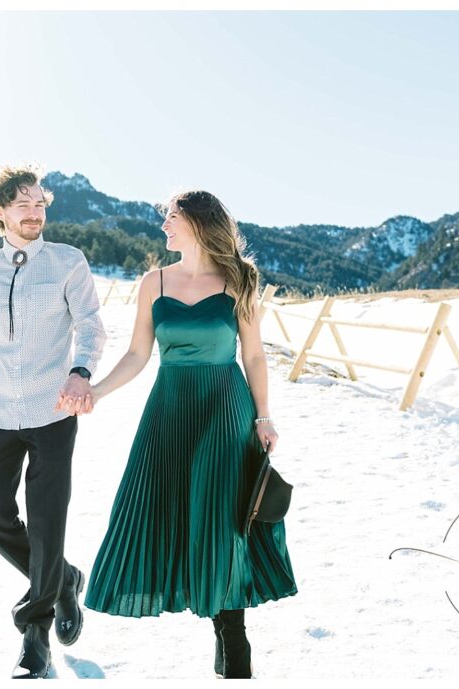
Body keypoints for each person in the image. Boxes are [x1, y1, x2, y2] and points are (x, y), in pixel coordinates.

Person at [82, 190, 296, 678]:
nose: (164, 228)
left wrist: (263, 417)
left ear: (198, 224)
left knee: (222, 519)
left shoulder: (239, 279)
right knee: (177, 513)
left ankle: (233, 642)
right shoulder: (152, 282)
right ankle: (221, 631)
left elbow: (254, 355)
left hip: (225, 409)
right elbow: (138, 354)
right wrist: (97, 391)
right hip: (171, 410)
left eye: (172, 219)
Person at [0, 165, 106, 679]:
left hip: (52, 411)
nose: (35, 213)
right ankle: (63, 580)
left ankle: (34, 633)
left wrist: (82, 372)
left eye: (40, 204)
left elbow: (90, 326)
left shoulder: (67, 262)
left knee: (46, 521)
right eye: (23, 205)